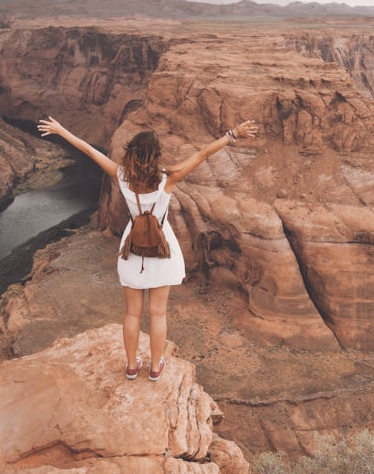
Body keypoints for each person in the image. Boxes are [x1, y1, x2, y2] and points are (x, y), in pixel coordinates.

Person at [36, 115, 259, 382]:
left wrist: (61, 130)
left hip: (133, 253)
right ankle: (155, 368)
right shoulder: (169, 178)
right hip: (162, 253)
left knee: (132, 313)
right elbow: (204, 154)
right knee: (158, 313)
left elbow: (88, 150)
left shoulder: (122, 176)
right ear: (155, 156)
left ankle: (131, 367)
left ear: (131, 154)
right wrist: (233, 133)